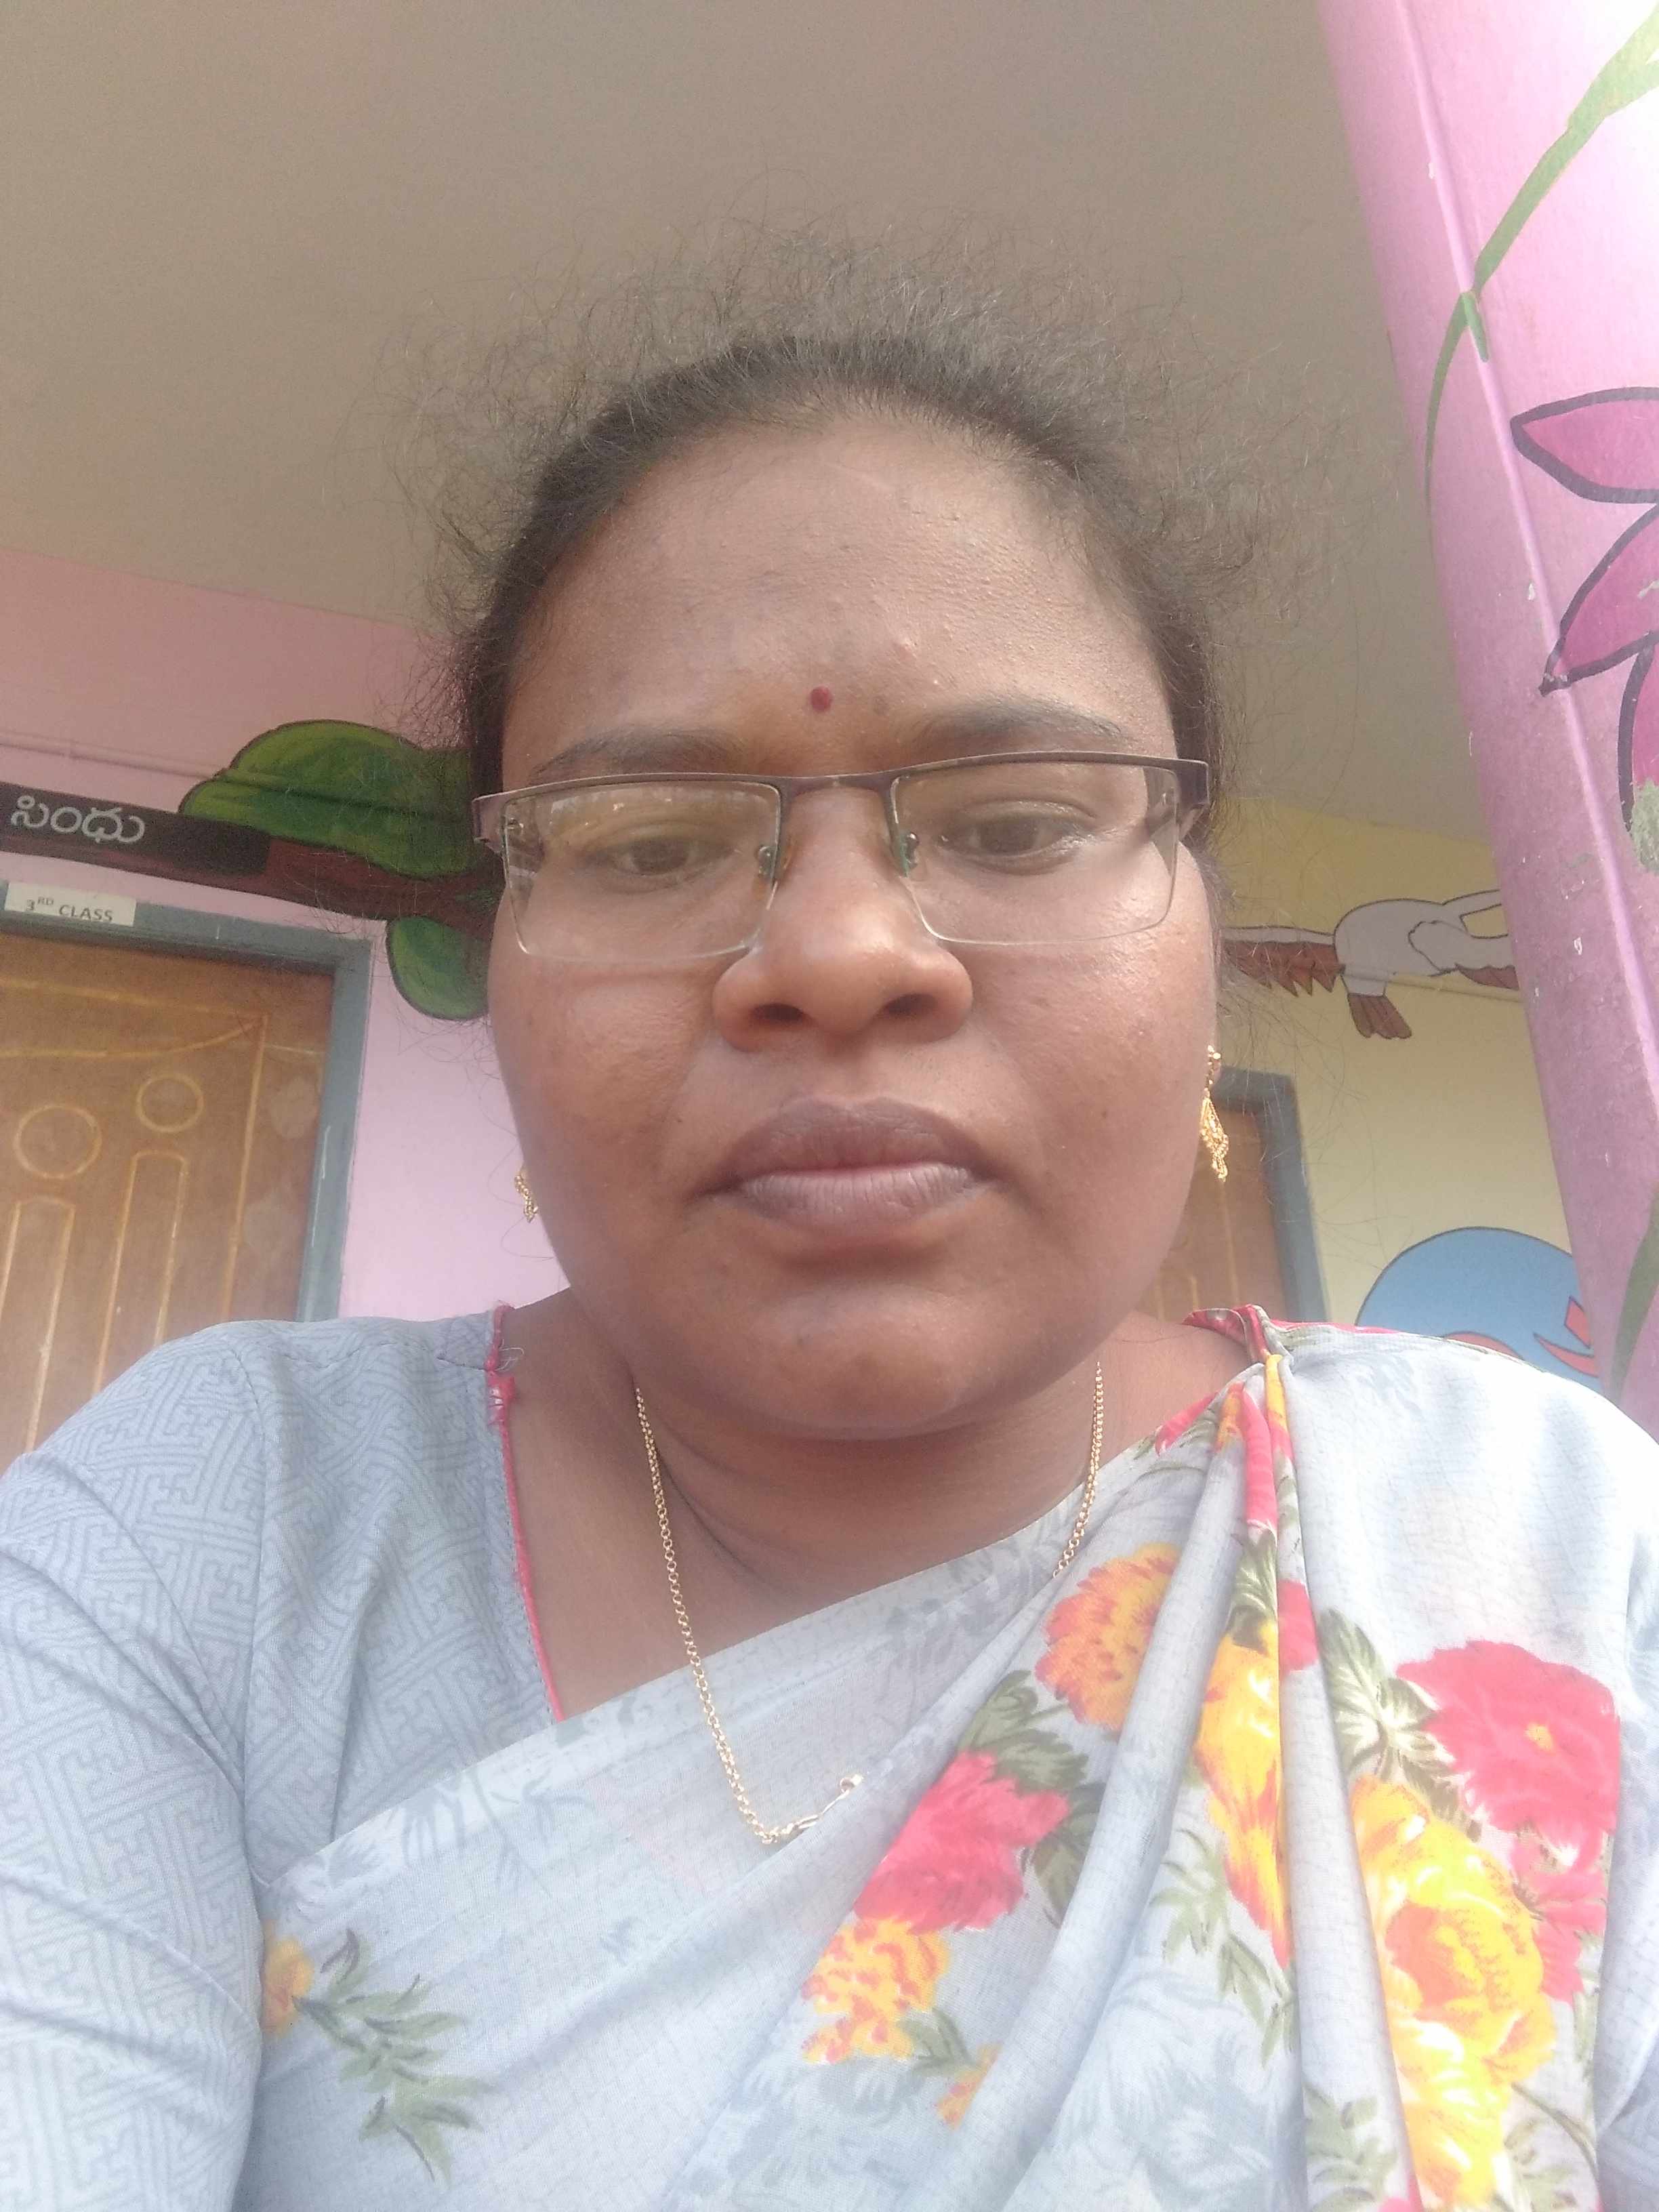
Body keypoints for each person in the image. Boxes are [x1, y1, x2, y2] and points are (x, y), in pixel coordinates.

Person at [3, 243, 1657, 2212]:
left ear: (1206, 944)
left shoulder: (1542, 1541)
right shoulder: (220, 1538)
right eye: (648, 842)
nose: (844, 952)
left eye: (1020, 822)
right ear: (503, 959)